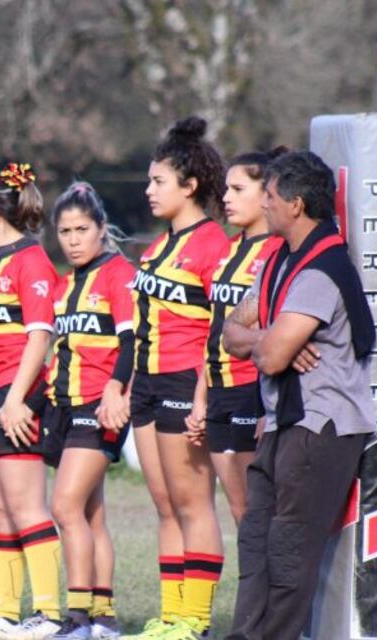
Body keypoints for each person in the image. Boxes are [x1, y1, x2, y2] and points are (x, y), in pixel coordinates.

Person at [222, 151, 377, 640]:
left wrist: (269, 346)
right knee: (255, 542)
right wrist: (271, 336)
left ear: (296, 204)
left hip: (318, 429)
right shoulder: (277, 265)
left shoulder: (319, 270)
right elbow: (229, 331)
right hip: (281, 425)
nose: (262, 205)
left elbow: (268, 359)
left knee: (288, 551)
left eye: (269, 196)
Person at [126, 116, 230, 640]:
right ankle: (170, 616)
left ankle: (196, 620)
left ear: (190, 186)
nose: (148, 191)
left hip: (183, 385)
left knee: (193, 503)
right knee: (165, 505)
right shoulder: (155, 247)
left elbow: (222, 328)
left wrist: (202, 398)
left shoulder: (212, 246)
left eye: (158, 182)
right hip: (146, 384)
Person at [0, 162, 62, 639]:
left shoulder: (31, 260)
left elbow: (40, 336)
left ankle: (48, 613)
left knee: (26, 508)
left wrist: (18, 399)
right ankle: (3, 612)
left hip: (12, 396)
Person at [42, 182, 135, 640]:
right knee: (90, 514)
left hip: (99, 408)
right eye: (64, 231)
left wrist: (118, 393)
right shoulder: (66, 283)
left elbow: (132, 342)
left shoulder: (118, 275)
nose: (73, 239)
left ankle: (76, 617)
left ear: (102, 229)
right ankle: (103, 617)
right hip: (64, 407)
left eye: (82, 229)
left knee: (64, 505)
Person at [185, 148, 287, 523]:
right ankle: (253, 583)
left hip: (252, 392)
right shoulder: (228, 251)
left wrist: (268, 406)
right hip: (218, 393)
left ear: (266, 196)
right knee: (238, 510)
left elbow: (277, 335)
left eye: (237, 189)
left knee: (257, 510)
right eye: (226, 189)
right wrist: (200, 398)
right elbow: (213, 331)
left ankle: (268, 584)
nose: (226, 198)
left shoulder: (277, 251)